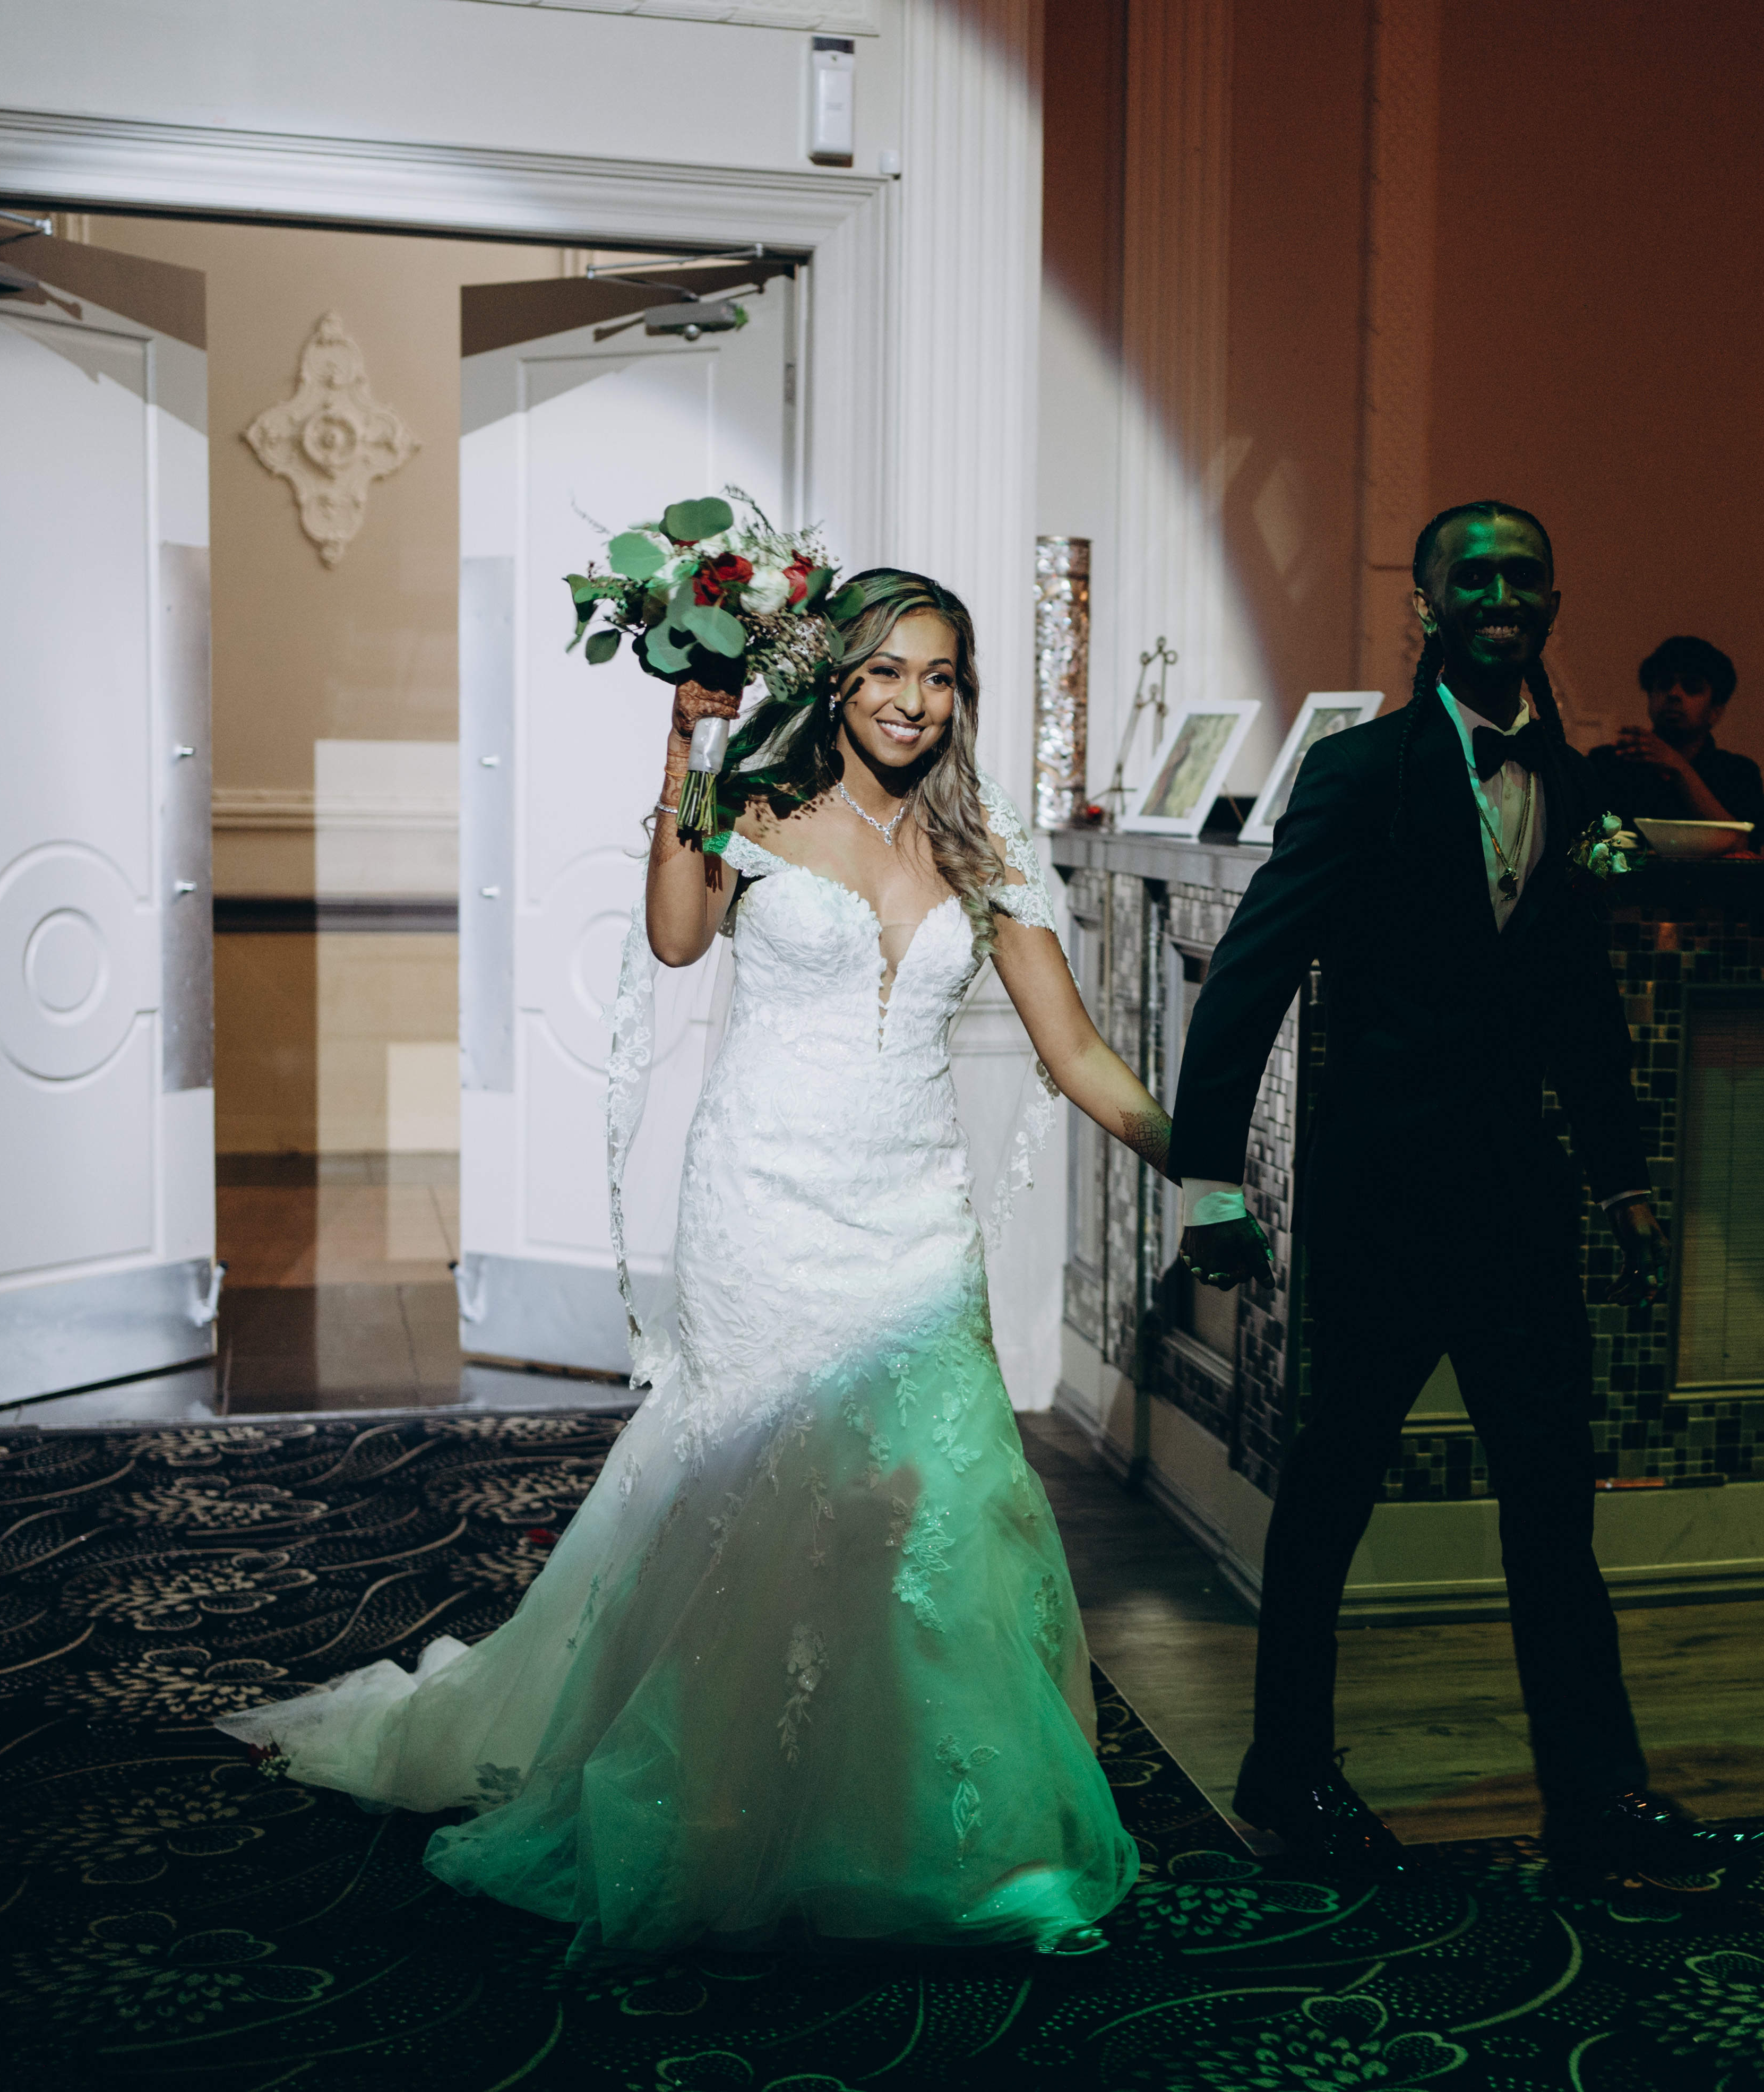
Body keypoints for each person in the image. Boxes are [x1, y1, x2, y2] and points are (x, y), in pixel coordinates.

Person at [219, 571, 1167, 1959]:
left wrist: (1195, 1154)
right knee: (757, 1489)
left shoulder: (985, 841)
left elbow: (1072, 1047)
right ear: (833, 677)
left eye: (941, 675)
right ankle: (719, 1801)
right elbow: (675, 936)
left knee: (934, 1500)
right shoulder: (754, 798)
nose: (914, 699)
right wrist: (688, 741)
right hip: (761, 1204)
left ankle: (949, 1823)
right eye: (887, 668)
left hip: (913, 1216)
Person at [1168, 501, 1764, 1891]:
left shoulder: (1569, 780)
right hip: (1382, 1201)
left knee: (1553, 1507)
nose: (1502, 596)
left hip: (1520, 1204)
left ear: (1553, 600)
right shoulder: (1358, 772)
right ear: (1427, 604)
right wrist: (1208, 1175)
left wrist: (1621, 1173)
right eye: (1476, 576)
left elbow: (1576, 997)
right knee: (1329, 1492)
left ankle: (1597, 1798)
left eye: (1524, 577)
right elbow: (1252, 970)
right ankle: (1288, 1773)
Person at [1586, 634, 1764, 840]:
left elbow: (1745, 845)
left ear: (1716, 711)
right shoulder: (1609, 763)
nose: (1674, 693)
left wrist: (1678, 766)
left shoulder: (1739, 774)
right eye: (1664, 684)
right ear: (1650, 697)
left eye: (1692, 688)